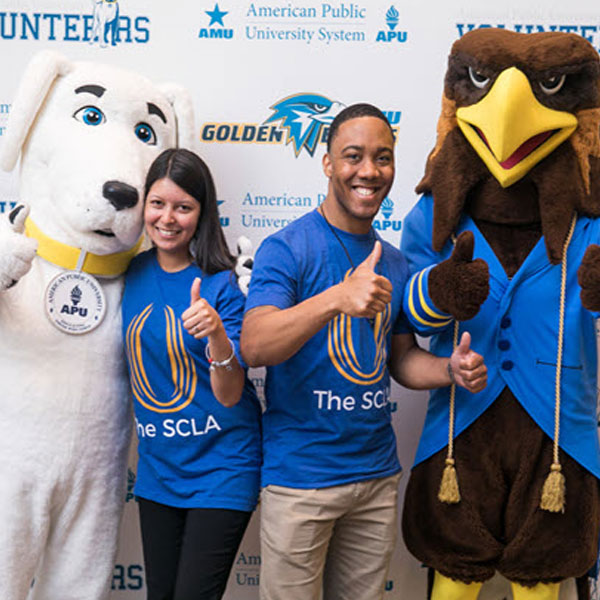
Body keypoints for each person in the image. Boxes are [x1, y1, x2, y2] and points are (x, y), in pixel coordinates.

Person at [241, 103, 488, 600]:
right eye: (353, 156)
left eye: (383, 158)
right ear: (328, 163)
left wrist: (449, 369)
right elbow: (254, 345)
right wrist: (336, 298)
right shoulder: (286, 248)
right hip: (301, 481)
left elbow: (399, 360)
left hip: (375, 477)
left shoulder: (393, 262)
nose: (369, 171)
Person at [121, 148, 261, 600]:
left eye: (183, 207)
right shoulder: (127, 273)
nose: (167, 218)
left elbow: (230, 392)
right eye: (158, 203)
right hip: (159, 469)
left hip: (223, 466)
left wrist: (218, 336)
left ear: (201, 215)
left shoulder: (221, 284)